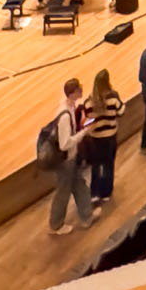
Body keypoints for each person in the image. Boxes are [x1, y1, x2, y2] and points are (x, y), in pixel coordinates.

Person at [43, 79, 93, 235]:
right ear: (72, 93)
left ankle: (87, 216)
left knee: (80, 186)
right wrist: (83, 133)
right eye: (79, 89)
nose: (81, 91)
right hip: (65, 162)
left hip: (71, 159)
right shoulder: (64, 115)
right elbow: (64, 144)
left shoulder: (69, 106)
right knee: (63, 193)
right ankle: (56, 225)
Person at [81, 68, 122, 208]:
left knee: (96, 165)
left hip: (95, 139)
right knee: (109, 164)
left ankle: (95, 193)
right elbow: (121, 111)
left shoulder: (88, 102)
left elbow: (88, 120)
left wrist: (96, 120)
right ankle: (106, 192)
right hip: (110, 137)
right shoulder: (113, 98)